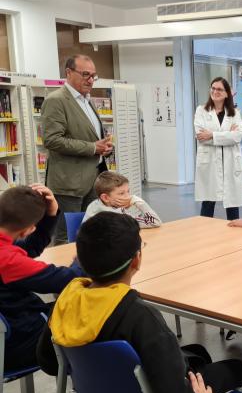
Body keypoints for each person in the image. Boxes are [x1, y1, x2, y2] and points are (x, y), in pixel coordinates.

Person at [36, 213, 242, 393]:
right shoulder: (141, 316)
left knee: (198, 353)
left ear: (80, 260)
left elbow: (50, 363)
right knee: (237, 368)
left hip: (95, 390)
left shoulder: (66, 301)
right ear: (136, 261)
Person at [0, 185, 83, 372]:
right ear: (28, 230)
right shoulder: (8, 261)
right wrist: (83, 257)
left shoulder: (6, 251)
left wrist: (50, 215)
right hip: (16, 344)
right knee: (90, 318)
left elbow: (27, 251)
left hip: (9, 331)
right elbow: (69, 279)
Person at [42, 54, 113, 244]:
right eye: (85, 75)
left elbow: (89, 135)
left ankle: (83, 270)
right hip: (68, 184)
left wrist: (104, 148)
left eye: (94, 76)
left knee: (89, 233)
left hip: (93, 179)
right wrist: (92, 148)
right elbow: (52, 140)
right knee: (66, 237)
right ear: (68, 73)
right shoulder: (56, 100)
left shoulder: (86, 100)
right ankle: (64, 273)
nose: (90, 80)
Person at [194, 77, 242, 221]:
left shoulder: (234, 113)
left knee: (232, 202)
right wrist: (226, 135)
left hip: (230, 161)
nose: (215, 91)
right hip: (209, 161)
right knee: (208, 201)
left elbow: (237, 137)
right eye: (213, 88)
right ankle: (205, 232)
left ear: (227, 93)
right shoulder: (201, 111)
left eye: (219, 89)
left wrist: (212, 134)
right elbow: (201, 136)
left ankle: (235, 233)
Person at [82, 171, 162, 228]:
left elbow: (154, 222)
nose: (128, 197)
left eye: (128, 191)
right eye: (121, 193)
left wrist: (136, 201)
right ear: (105, 198)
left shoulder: (114, 207)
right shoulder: (109, 214)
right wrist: (139, 202)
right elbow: (155, 222)